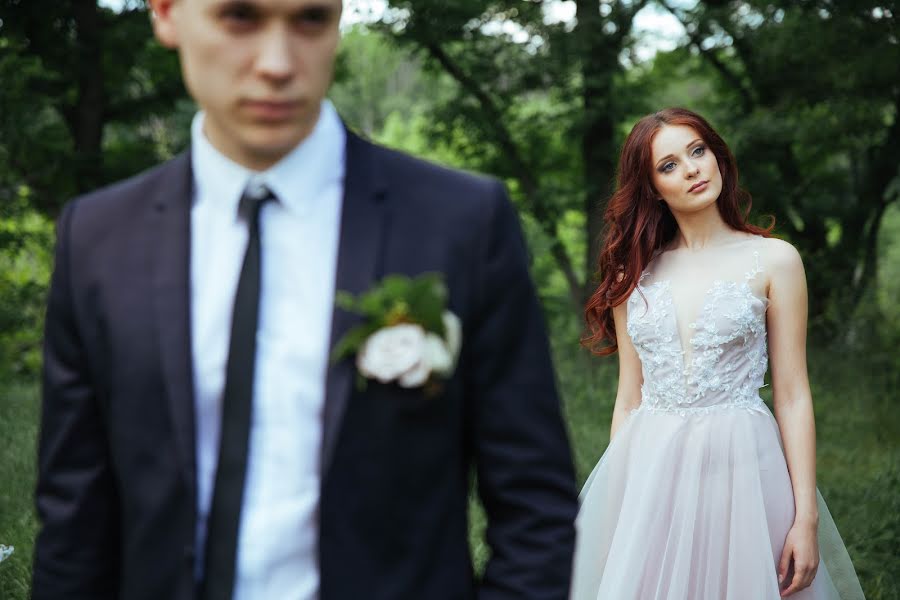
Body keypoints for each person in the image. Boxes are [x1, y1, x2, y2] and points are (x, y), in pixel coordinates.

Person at [31, 1, 579, 598]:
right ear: (165, 13)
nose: (277, 63)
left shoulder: (461, 223)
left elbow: (533, 506)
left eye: (310, 19)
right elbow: (74, 520)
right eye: (240, 17)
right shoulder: (97, 238)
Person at [570, 108, 865, 599]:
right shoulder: (632, 277)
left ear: (717, 156)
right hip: (653, 470)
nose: (691, 169)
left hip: (744, 470)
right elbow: (628, 399)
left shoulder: (775, 260)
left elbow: (792, 395)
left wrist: (805, 518)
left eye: (697, 151)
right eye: (668, 165)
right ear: (651, 188)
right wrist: (617, 507)